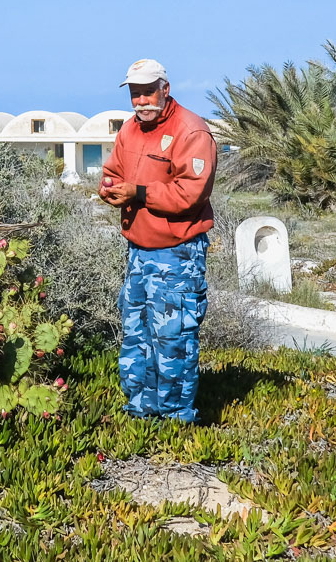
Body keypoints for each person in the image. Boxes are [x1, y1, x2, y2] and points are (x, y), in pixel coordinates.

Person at [98, 59, 217, 422]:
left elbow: (189, 194)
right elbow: (112, 170)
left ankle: (177, 418)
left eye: (148, 92)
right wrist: (108, 188)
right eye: (135, 93)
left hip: (177, 254)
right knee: (137, 333)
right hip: (138, 252)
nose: (141, 101)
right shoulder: (130, 131)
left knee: (173, 339)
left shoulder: (191, 131)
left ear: (165, 89)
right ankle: (139, 410)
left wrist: (138, 192)